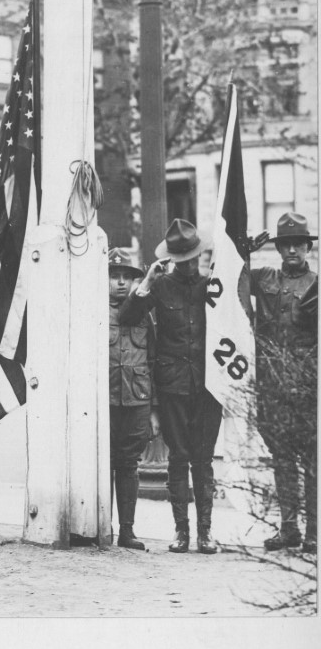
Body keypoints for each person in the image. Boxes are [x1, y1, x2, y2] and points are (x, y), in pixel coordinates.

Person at [119, 219, 221, 554]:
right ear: (173, 259)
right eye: (183, 258)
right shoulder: (161, 287)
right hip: (173, 385)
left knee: (203, 460)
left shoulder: (211, 285)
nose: (190, 263)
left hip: (207, 386)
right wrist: (147, 279)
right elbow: (129, 316)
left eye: (193, 256)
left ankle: (205, 533)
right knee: (179, 458)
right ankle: (182, 533)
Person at [250, 212, 318, 554]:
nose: (292, 250)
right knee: (281, 457)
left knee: (313, 460)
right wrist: (241, 251)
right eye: (286, 244)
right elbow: (227, 283)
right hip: (272, 386)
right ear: (278, 249)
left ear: (308, 247)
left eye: (298, 244)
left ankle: (315, 533)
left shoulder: (316, 285)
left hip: (308, 387)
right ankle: (288, 529)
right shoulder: (264, 277)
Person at [107, 248, 157, 551]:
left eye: (127, 277)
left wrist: (154, 410)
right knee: (101, 465)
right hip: (104, 402)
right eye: (115, 277)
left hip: (136, 401)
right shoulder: (92, 313)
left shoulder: (143, 315)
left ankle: (127, 530)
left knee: (129, 464)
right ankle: (101, 527)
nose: (121, 283)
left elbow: (153, 359)